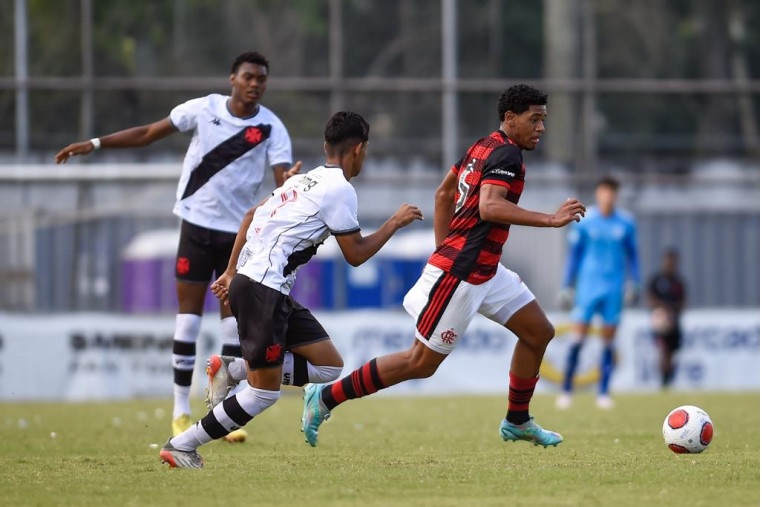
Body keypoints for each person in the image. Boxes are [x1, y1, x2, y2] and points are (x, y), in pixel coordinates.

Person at [301, 84, 586, 449]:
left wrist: (444, 247)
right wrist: (550, 220)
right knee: (419, 362)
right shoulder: (507, 157)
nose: (541, 127)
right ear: (510, 119)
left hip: (483, 269)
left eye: (544, 120)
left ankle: (517, 420)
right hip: (463, 273)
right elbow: (489, 206)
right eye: (534, 119)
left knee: (538, 332)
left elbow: (443, 194)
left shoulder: (482, 146)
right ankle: (325, 398)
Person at [55, 51, 304, 442]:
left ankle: (221, 418)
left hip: (237, 237)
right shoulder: (203, 109)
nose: (255, 84)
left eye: (262, 79)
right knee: (187, 319)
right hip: (196, 227)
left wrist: (288, 180)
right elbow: (149, 133)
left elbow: (281, 183)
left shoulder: (272, 127)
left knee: (232, 325)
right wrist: (96, 143)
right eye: (249, 77)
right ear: (232, 79)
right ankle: (179, 412)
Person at [158, 111, 423, 468]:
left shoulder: (303, 180)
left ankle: (232, 370)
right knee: (262, 393)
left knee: (329, 366)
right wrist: (395, 222)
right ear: (359, 149)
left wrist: (232, 270)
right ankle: (181, 444)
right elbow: (356, 255)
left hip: (263, 288)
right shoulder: (340, 189)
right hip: (261, 291)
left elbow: (251, 215)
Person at [556, 177, 640, 410]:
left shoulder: (625, 223)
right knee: (577, 339)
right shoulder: (585, 221)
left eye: (612, 193)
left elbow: (633, 255)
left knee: (608, 341)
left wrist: (636, 283)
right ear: (598, 193)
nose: (608, 197)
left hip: (613, 288)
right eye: (604, 192)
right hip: (587, 287)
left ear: (616, 195)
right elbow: (573, 255)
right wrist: (566, 285)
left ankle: (603, 392)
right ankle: (566, 390)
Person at [647, 248, 686, 388]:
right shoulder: (657, 280)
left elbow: (683, 302)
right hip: (660, 321)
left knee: (671, 353)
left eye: (673, 262)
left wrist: (672, 311)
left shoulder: (678, 282)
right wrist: (664, 309)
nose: (670, 264)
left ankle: (668, 381)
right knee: (663, 351)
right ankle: (663, 382)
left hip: (674, 321)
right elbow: (650, 300)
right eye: (668, 261)